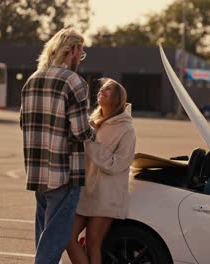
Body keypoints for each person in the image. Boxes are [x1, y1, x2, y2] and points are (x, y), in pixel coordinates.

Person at [20, 27, 95, 264]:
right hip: (64, 174)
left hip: (37, 173)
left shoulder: (33, 79)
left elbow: (24, 122)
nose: (80, 59)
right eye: (80, 53)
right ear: (72, 50)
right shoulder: (74, 82)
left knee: (44, 240)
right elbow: (81, 131)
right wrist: (94, 130)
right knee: (54, 243)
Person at [66, 77, 136, 264]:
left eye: (107, 90)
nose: (101, 92)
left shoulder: (126, 129)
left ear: (117, 99)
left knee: (93, 245)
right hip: (86, 192)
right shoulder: (93, 123)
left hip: (107, 197)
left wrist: (91, 142)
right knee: (67, 238)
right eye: (101, 89)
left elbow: (117, 164)